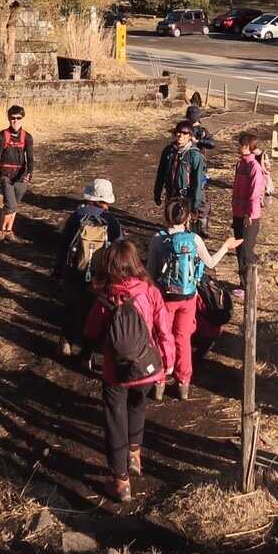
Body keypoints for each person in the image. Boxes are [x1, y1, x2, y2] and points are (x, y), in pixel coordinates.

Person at [83, 237, 175, 502]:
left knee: (115, 419)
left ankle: (120, 480)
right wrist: (168, 361)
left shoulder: (106, 296)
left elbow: (90, 330)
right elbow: (164, 330)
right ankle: (134, 454)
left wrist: (93, 348)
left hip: (116, 371)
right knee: (138, 406)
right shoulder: (150, 291)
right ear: (136, 262)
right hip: (146, 366)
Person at [147, 199, 239, 399]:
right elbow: (211, 263)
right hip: (188, 297)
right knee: (183, 338)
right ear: (188, 217)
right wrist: (226, 246)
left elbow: (151, 273)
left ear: (166, 216)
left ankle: (159, 381)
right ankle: (183, 383)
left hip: (165, 298)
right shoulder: (194, 239)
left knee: (163, 336)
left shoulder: (158, 239)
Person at [55, 179, 123, 357]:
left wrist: (58, 271)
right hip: (98, 275)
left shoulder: (77, 216)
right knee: (92, 315)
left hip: (74, 270)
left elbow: (64, 245)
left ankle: (66, 342)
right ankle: (86, 354)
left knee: (70, 307)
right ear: (106, 200)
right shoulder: (112, 221)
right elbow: (119, 250)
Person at [0, 104, 34, 241]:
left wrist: (29, 174)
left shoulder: (27, 137)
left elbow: (30, 158)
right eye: (13, 118)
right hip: (6, 175)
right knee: (10, 204)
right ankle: (2, 230)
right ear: (9, 119)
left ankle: (8, 230)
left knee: (13, 205)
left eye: (18, 118)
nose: (15, 121)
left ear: (22, 118)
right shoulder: (3, 136)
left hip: (21, 176)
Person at [231, 130, 269, 294]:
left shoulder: (254, 167)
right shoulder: (240, 164)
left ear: (247, 146)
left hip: (249, 216)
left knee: (247, 251)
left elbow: (254, 193)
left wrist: (249, 214)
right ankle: (243, 283)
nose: (238, 147)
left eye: (241, 145)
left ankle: (252, 283)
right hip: (238, 212)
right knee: (240, 249)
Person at [153, 121, 209, 230]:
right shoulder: (168, 151)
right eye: (178, 132)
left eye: (185, 133)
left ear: (190, 136)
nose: (181, 136)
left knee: (186, 228)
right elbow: (161, 173)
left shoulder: (194, 155)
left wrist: (195, 204)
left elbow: (198, 182)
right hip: (171, 195)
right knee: (170, 225)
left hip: (187, 198)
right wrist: (157, 192)